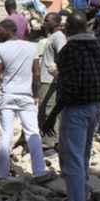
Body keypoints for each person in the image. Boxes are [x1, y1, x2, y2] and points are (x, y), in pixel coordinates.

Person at [41, 12, 100, 201]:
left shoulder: (69, 50)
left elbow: (69, 89)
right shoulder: (98, 48)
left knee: (71, 160)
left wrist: (52, 116)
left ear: (68, 28)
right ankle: (82, 194)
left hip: (76, 110)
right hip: (94, 107)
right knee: (83, 155)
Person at [0, 20, 51, 182]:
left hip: (7, 95)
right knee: (33, 133)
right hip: (26, 95)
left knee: (5, 134)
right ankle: (39, 172)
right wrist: (35, 94)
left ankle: (1, 173)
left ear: (8, 30)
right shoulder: (31, 47)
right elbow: (36, 74)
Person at [37, 12, 66, 153]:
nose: (44, 23)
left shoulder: (59, 38)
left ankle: (50, 143)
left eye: (47, 20)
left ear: (55, 23)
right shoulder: (53, 37)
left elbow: (63, 55)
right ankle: (46, 140)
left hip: (51, 81)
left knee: (48, 110)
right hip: (46, 79)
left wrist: (57, 70)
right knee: (42, 111)